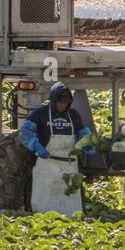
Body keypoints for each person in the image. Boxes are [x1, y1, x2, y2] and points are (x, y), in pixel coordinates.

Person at [19, 82, 94, 215]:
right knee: (44, 202)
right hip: (46, 165)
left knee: (69, 202)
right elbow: (25, 132)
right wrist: (36, 146)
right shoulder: (40, 114)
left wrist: (87, 142)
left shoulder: (73, 115)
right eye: (60, 102)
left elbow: (82, 132)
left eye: (66, 103)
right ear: (53, 100)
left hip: (69, 166)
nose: (62, 106)